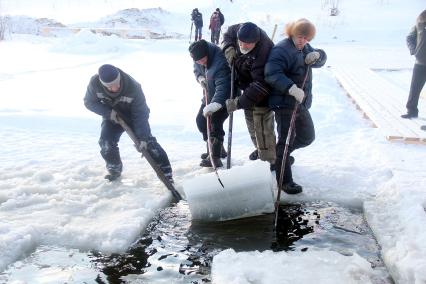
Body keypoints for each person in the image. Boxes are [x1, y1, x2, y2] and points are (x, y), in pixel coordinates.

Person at [265, 18, 327, 194]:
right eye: (299, 36)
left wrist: (318, 56)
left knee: (307, 136)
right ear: (292, 33)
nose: (302, 41)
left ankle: (279, 158)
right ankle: (284, 181)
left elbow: (320, 58)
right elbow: (271, 73)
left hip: (300, 104)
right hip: (284, 103)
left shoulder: (305, 47)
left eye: (306, 39)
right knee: (285, 141)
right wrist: (291, 88)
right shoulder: (281, 50)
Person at [84, 64, 174, 182]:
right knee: (106, 142)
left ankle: (166, 174)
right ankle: (114, 169)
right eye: (109, 87)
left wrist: (142, 137)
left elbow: (141, 114)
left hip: (133, 118)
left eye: (116, 84)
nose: (113, 88)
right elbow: (89, 102)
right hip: (112, 116)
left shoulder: (133, 87)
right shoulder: (94, 83)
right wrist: (108, 113)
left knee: (148, 144)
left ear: (119, 78)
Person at [222, 22, 276, 170]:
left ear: (256, 41)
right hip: (247, 89)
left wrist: (238, 103)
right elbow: (228, 34)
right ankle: (261, 152)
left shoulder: (265, 52)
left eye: (248, 44)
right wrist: (228, 47)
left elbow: (261, 85)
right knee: (252, 127)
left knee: (263, 130)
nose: (243, 46)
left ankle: (271, 162)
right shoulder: (240, 29)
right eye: (241, 43)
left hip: (262, 95)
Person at [189, 39, 231, 167]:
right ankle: (214, 149)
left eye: (202, 60)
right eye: (198, 61)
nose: (200, 62)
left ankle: (215, 156)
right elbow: (197, 69)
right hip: (209, 94)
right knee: (201, 121)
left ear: (207, 53)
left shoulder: (220, 62)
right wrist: (200, 78)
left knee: (215, 122)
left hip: (225, 97)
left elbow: (223, 87)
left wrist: (216, 104)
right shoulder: (198, 56)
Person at [401, 10, 426, 119]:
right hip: (420, 62)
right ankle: (411, 111)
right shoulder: (419, 23)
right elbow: (410, 37)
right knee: (414, 89)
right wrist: (414, 50)